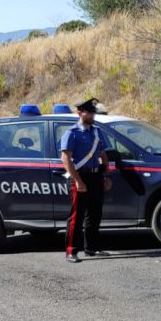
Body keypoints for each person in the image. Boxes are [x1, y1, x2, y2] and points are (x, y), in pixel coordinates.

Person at [60, 98, 113, 263]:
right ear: (80, 113)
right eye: (88, 112)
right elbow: (66, 159)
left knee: (95, 214)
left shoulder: (97, 132)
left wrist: (106, 176)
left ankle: (92, 248)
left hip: (96, 176)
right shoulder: (72, 132)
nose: (91, 115)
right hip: (80, 176)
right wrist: (77, 180)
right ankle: (71, 251)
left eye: (93, 112)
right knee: (77, 216)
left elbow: (103, 155)